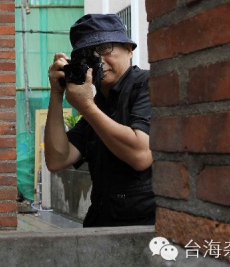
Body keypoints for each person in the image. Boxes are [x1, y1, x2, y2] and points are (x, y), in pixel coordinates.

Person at [45, 14, 155, 227]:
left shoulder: (148, 84)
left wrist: (86, 107)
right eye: (88, 54)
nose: (99, 60)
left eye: (105, 48)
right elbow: (57, 160)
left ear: (129, 49)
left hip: (143, 231)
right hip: (101, 225)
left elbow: (141, 155)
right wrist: (56, 94)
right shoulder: (97, 103)